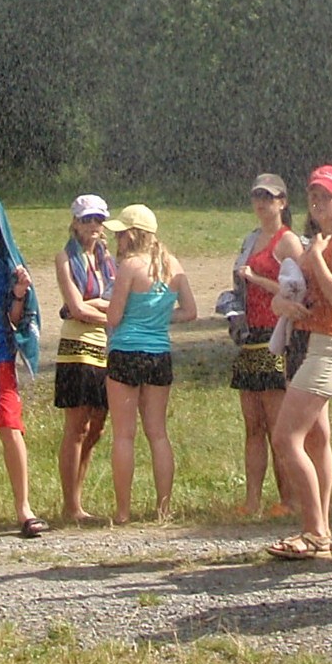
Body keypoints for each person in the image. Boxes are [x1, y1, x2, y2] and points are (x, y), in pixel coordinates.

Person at [266, 166, 332, 562]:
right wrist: (281, 302)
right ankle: (320, 527)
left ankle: (314, 532)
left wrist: (314, 257)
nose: (319, 203)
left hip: (330, 345)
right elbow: (300, 289)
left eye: (327, 196)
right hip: (306, 340)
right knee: (316, 438)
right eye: (314, 196)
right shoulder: (319, 240)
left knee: (285, 438)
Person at [103, 204, 197, 525]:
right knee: (157, 434)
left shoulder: (129, 266)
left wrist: (127, 315)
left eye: (120, 234)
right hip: (159, 353)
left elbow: (114, 316)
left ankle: (123, 511)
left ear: (132, 235)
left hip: (126, 351)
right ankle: (164, 509)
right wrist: (158, 317)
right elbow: (190, 311)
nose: (117, 240)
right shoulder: (172, 265)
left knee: (124, 435)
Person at [0, 193, 45, 538]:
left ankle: (24, 508)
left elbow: (15, 319)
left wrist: (18, 293)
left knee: (11, 426)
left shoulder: (5, 265)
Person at [231, 173, 302, 518]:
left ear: (282, 202)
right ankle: (252, 501)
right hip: (250, 336)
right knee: (253, 426)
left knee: (278, 427)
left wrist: (256, 279)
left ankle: (289, 500)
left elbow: (297, 290)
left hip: (277, 336)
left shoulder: (287, 241)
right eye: (257, 196)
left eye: (269, 197)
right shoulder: (250, 239)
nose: (262, 203)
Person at [53, 194, 115, 525]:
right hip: (77, 347)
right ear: (75, 223)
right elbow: (76, 308)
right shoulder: (65, 257)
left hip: (104, 347)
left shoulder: (107, 259)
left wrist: (94, 306)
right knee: (77, 427)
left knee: (97, 427)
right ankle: (71, 505)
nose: (93, 225)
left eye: (98, 220)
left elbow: (99, 301)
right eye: (87, 219)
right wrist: (110, 313)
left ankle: (77, 498)